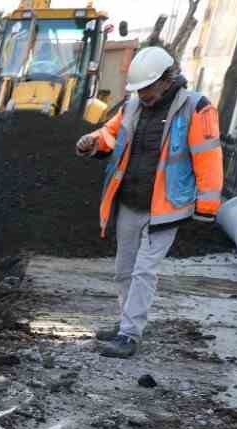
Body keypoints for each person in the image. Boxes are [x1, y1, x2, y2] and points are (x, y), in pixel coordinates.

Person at [76, 46, 223, 359]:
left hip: (167, 206)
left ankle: (130, 335)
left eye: (147, 88)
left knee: (144, 271)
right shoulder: (132, 105)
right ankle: (125, 322)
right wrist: (92, 142)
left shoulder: (196, 108)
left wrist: (207, 209)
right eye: (138, 89)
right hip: (130, 200)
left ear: (166, 80)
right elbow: (110, 133)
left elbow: (209, 158)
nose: (142, 94)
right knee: (124, 269)